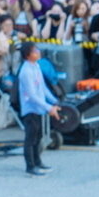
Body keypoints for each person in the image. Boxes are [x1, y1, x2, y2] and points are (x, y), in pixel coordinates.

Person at [17, 41, 60, 176]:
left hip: (39, 108)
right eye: (35, 51)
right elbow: (31, 95)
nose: (38, 52)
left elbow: (42, 88)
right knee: (30, 138)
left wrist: (54, 100)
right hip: (31, 109)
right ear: (28, 55)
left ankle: (38, 161)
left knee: (38, 136)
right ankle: (30, 166)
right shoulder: (25, 71)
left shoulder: (36, 67)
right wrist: (48, 107)